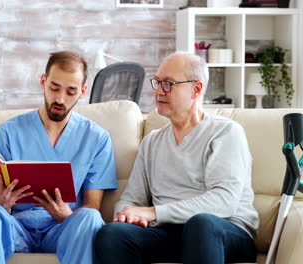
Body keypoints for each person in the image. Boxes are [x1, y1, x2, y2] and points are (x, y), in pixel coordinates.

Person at [95, 52, 259, 264]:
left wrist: (154, 212)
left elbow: (224, 201)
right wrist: (126, 214)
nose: (159, 91)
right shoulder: (152, 142)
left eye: (169, 83)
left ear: (196, 89)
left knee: (201, 225)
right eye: (158, 82)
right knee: (112, 234)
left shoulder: (225, 132)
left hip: (223, 230)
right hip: (169, 232)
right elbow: (131, 199)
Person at [0, 51, 117, 264]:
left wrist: (67, 216)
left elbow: (93, 205)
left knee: (90, 217)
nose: (60, 99)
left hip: (62, 230)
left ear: (82, 92)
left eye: (71, 91)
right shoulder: (8, 132)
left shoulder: (96, 138)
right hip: (16, 228)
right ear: (43, 81)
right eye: (54, 88)